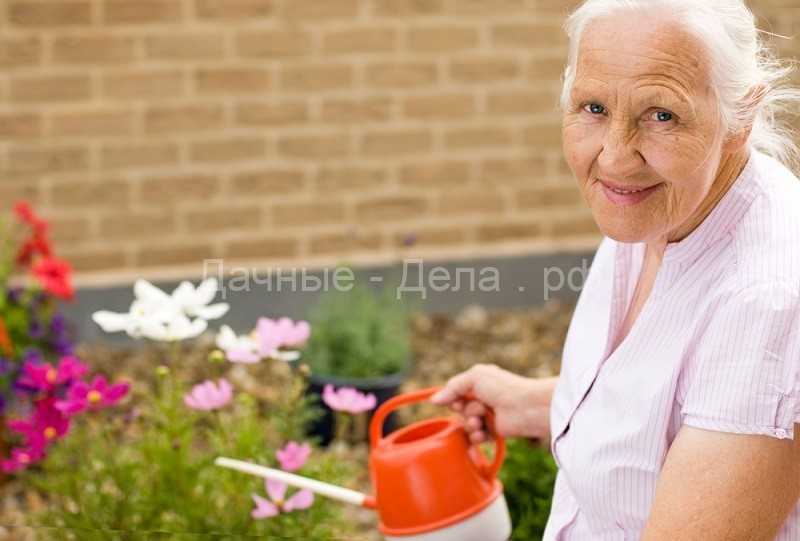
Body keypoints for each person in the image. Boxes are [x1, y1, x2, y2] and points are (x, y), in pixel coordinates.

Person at [430, 1, 800, 539]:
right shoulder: (664, 203)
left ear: (738, 120)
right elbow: (679, 390)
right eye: (594, 107)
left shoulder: (767, 300)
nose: (616, 158)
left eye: (662, 116)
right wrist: (540, 404)